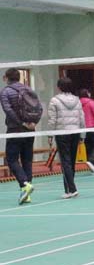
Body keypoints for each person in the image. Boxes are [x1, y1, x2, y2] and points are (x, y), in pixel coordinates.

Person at [1, 68, 37, 205]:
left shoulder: (5, 92)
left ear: (6, 78)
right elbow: (38, 108)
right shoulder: (28, 89)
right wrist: (33, 123)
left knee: (11, 159)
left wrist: (21, 123)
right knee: (27, 160)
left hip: (15, 129)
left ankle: (24, 184)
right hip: (30, 129)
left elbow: (8, 110)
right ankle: (26, 193)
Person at [47, 77, 85, 199]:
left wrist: (50, 134)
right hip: (75, 133)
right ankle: (69, 188)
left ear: (59, 87)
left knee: (65, 161)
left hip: (62, 133)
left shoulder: (54, 100)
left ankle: (71, 189)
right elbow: (81, 118)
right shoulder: (77, 100)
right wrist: (82, 135)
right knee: (71, 161)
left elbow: (52, 120)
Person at [78, 88, 94, 172]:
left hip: (83, 129)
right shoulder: (91, 103)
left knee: (88, 146)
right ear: (87, 94)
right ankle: (92, 162)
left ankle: (91, 163)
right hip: (93, 128)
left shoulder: (78, 104)